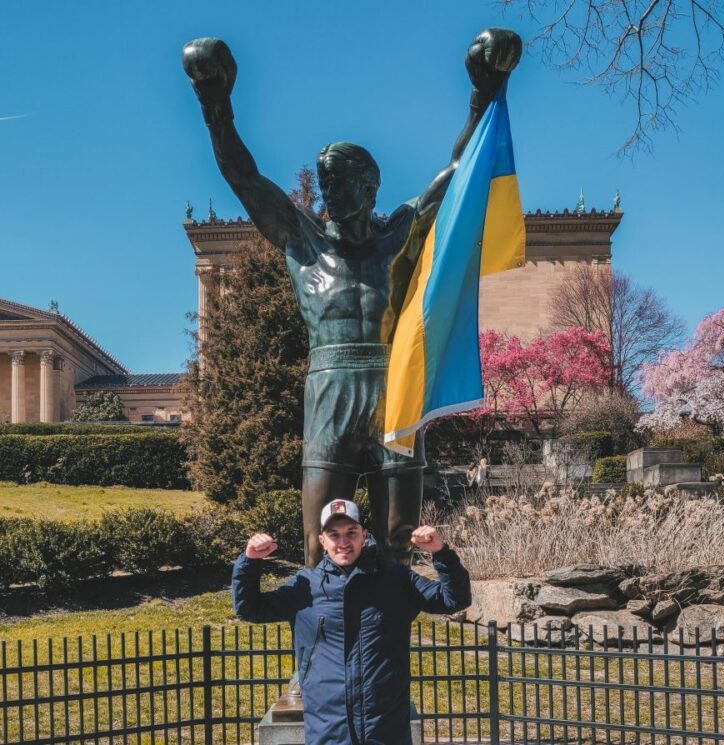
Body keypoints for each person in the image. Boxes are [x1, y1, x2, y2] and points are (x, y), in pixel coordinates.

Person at [183, 29, 521, 568]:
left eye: (338, 182)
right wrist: (214, 102)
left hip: (395, 388)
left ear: (370, 187)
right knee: (321, 547)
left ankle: (387, 642)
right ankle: (325, 643)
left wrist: (486, 89)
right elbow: (243, 176)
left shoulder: (401, 236)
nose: (327, 193)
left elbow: (461, 174)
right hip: (328, 391)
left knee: (397, 541)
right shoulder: (302, 241)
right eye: (322, 182)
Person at [232, 499, 471, 745]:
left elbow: (453, 600)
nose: (343, 542)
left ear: (363, 536)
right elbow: (249, 609)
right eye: (334, 535)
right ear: (323, 541)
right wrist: (250, 561)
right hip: (329, 731)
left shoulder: (394, 579)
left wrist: (441, 553)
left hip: (385, 729)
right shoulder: (305, 586)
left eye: (351, 533)